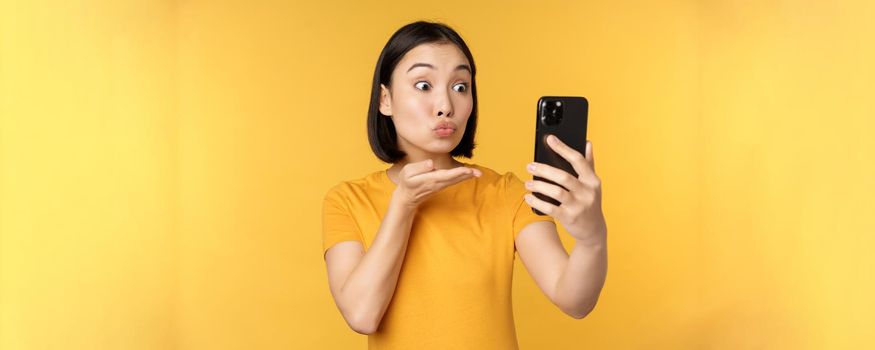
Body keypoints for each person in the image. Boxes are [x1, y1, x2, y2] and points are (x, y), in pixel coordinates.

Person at [322, 21, 608, 349]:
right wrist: (403, 205)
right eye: (423, 85)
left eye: (460, 86)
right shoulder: (346, 201)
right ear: (385, 100)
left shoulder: (505, 193)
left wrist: (592, 239)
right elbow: (362, 314)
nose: (446, 105)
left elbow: (574, 300)